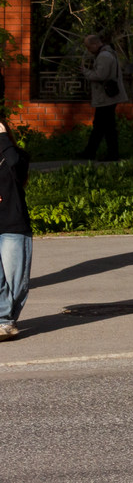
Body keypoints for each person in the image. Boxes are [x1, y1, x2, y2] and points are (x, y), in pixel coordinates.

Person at [0, 117, 31, 342]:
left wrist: (2, 138)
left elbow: (16, 167)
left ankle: (6, 321)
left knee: (16, 284)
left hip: (13, 223)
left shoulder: (17, 156)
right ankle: (4, 321)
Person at [79, 33, 126, 161]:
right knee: (103, 126)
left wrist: (85, 71)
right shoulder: (107, 53)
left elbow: (100, 75)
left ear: (95, 44)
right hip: (108, 97)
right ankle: (93, 152)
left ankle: (108, 154)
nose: (88, 50)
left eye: (89, 47)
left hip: (106, 97)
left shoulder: (104, 56)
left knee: (104, 127)